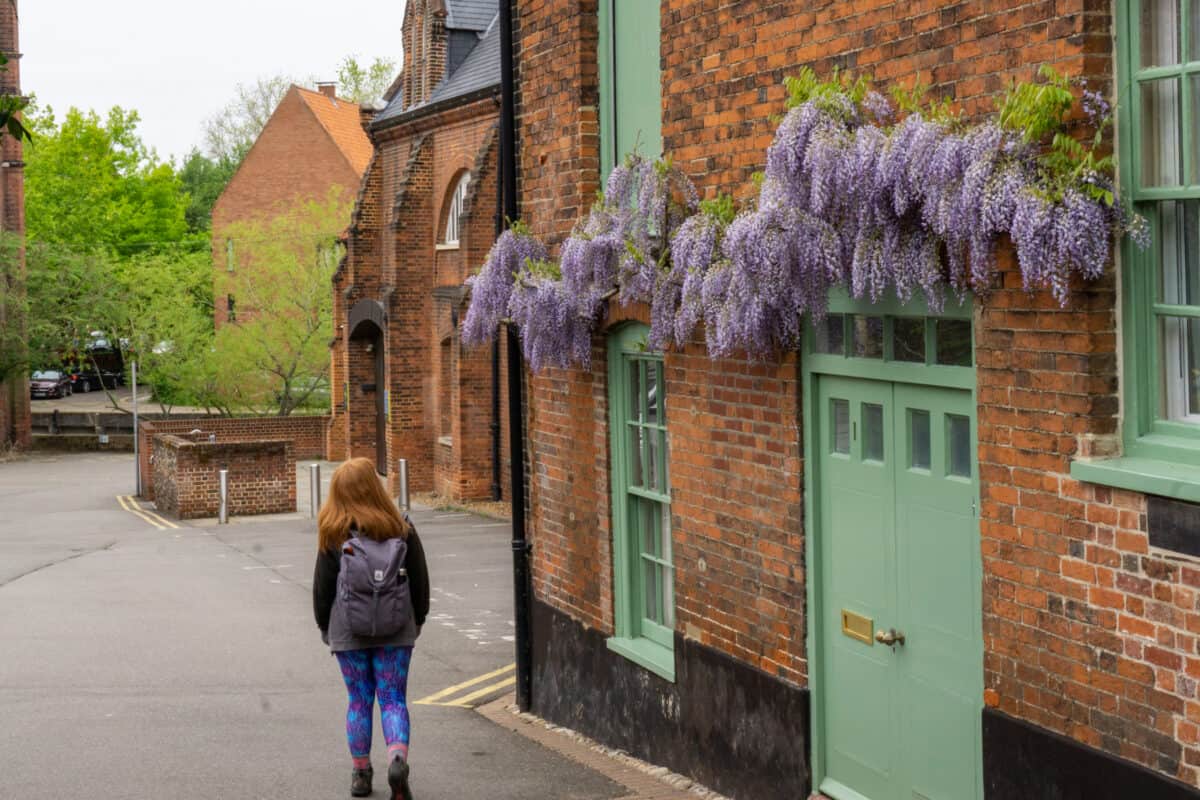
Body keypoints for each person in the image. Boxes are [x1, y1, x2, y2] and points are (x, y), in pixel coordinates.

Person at [313, 457, 430, 800]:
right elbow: (420, 579)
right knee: (393, 699)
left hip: (348, 631)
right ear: (375, 487)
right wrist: (418, 618)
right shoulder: (401, 526)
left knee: (359, 700)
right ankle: (397, 759)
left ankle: (361, 774)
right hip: (396, 629)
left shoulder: (334, 531)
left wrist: (325, 626)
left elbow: (323, 588)